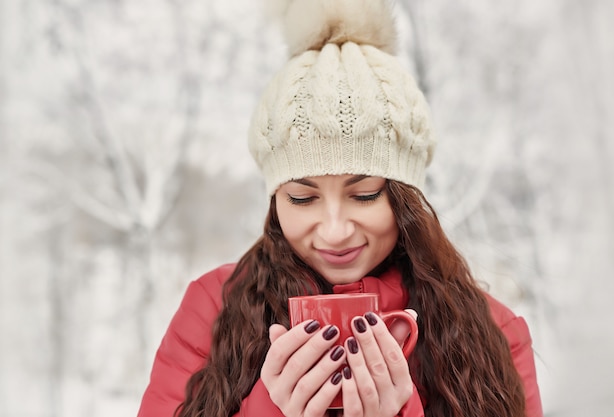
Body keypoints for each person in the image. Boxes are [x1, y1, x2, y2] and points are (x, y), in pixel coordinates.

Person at [137, 1, 543, 416]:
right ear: (275, 201)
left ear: (404, 199)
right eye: (302, 197)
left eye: (364, 194)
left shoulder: (495, 335)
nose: (334, 230)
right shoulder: (212, 309)